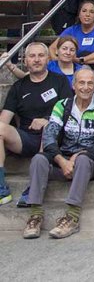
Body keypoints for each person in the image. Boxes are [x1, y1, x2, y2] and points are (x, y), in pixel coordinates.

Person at [21, 67, 94, 239]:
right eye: (81, 83)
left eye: (90, 83)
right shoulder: (62, 105)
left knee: (83, 160)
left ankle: (72, 216)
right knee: (39, 159)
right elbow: (49, 137)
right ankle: (35, 215)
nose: (85, 87)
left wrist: (76, 157)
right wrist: (62, 161)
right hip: (63, 157)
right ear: (74, 85)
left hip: (91, 160)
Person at [0, 43, 72, 206]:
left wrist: (48, 119)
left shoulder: (59, 81)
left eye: (41, 55)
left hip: (56, 137)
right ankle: (1, 186)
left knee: (48, 127)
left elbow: (69, 110)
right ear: (25, 61)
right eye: (32, 56)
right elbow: (4, 119)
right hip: (27, 138)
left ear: (48, 59)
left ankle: (34, 187)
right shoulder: (18, 87)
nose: (37, 60)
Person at [51, 0, 94, 91]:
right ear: (79, 14)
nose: (87, 14)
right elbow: (52, 48)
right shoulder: (71, 30)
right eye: (84, 11)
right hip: (72, 66)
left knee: (84, 53)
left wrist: (81, 60)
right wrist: (57, 61)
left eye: (91, 12)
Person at [3, 36, 81, 86]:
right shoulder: (49, 65)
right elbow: (24, 76)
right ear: (57, 51)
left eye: (72, 50)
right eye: (64, 49)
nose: (68, 52)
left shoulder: (81, 69)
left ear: (75, 53)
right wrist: (10, 66)